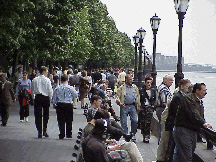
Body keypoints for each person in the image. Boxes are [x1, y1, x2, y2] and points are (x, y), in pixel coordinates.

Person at [173, 83, 212, 162]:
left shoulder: (199, 101)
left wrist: (203, 122)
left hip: (192, 130)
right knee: (186, 155)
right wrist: (203, 122)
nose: (205, 92)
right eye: (204, 90)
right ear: (197, 90)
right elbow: (193, 113)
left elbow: (199, 114)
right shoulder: (188, 99)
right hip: (184, 130)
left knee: (180, 155)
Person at [156, 79, 191, 162]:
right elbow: (175, 111)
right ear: (181, 87)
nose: (172, 82)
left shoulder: (178, 95)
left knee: (168, 142)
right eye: (187, 87)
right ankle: (162, 159)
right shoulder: (178, 96)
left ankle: (163, 158)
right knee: (167, 142)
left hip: (169, 121)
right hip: (170, 122)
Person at [115, 74, 141, 142]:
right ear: (126, 80)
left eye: (131, 79)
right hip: (124, 106)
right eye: (130, 79)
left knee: (135, 120)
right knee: (123, 122)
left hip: (133, 106)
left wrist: (138, 105)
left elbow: (138, 96)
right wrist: (120, 103)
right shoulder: (121, 88)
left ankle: (133, 134)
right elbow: (117, 96)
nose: (131, 80)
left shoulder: (134, 87)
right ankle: (125, 135)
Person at [52, 74, 78, 139]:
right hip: (68, 104)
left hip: (60, 105)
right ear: (67, 80)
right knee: (69, 119)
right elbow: (75, 95)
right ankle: (69, 133)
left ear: (61, 80)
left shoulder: (57, 88)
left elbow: (54, 98)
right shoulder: (70, 88)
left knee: (61, 120)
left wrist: (54, 104)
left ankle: (62, 133)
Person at [31, 66, 53, 138]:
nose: (47, 72)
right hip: (46, 98)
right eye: (47, 71)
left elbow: (32, 90)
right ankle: (44, 130)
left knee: (38, 115)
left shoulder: (34, 80)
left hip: (38, 97)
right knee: (46, 115)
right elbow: (50, 90)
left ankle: (39, 131)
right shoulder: (47, 80)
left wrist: (33, 97)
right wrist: (51, 99)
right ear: (43, 71)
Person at [139, 77, 157, 143]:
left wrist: (153, 105)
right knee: (143, 122)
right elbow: (139, 99)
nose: (149, 84)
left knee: (148, 122)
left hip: (150, 107)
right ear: (145, 83)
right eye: (148, 83)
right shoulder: (141, 90)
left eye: (150, 83)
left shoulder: (153, 91)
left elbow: (155, 99)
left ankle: (147, 136)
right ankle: (144, 134)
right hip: (143, 107)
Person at [157, 74, 173, 143]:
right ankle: (161, 143)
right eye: (170, 80)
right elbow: (165, 102)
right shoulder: (164, 89)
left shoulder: (161, 87)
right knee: (163, 128)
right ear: (165, 80)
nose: (172, 82)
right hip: (162, 109)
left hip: (159, 109)